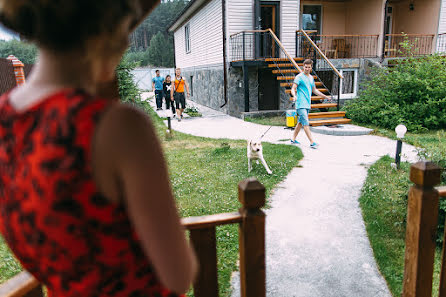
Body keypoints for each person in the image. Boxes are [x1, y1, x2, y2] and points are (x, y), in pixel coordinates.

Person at [0, 1, 197, 297]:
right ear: (107, 22)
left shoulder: (5, 122)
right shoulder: (120, 127)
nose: (128, 38)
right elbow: (179, 275)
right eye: (127, 17)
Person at [290, 59, 329, 149]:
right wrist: (294, 95)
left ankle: (293, 139)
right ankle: (312, 142)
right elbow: (293, 88)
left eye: (309, 67)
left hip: (307, 104)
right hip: (300, 104)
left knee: (300, 123)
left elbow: (314, 90)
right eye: (305, 67)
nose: (307, 69)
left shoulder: (311, 78)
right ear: (303, 67)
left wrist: (325, 97)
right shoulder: (299, 77)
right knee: (306, 123)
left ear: (311, 67)